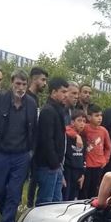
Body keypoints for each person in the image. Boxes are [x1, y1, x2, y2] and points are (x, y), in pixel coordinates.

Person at [0, 70, 37, 222]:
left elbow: (34, 130)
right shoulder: (0, 99)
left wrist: (31, 152)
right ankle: (6, 215)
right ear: (11, 83)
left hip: (21, 155)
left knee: (14, 192)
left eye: (24, 84)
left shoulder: (31, 103)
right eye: (17, 83)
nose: (20, 88)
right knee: (0, 190)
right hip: (0, 153)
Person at [34, 77, 69, 205]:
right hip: (48, 165)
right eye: (63, 92)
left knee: (56, 203)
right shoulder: (48, 111)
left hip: (56, 165)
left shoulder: (58, 110)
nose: (66, 95)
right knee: (45, 202)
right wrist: (54, 163)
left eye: (67, 92)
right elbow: (47, 140)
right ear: (54, 92)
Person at [25, 66, 49, 208]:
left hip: (35, 146)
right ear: (34, 79)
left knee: (34, 177)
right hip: (24, 146)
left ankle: (29, 205)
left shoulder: (36, 99)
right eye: (43, 80)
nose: (45, 83)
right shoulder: (26, 97)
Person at [80, 103, 111, 198]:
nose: (100, 118)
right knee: (84, 190)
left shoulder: (103, 131)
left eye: (101, 115)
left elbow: (109, 147)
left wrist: (105, 160)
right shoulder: (85, 128)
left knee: (94, 190)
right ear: (89, 117)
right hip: (87, 166)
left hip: (98, 166)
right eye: (96, 115)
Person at [63, 110, 87, 201]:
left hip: (78, 173)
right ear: (72, 122)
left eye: (84, 121)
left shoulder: (84, 140)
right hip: (68, 171)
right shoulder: (67, 137)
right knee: (64, 197)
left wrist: (83, 174)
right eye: (79, 121)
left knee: (73, 199)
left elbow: (84, 158)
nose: (82, 124)